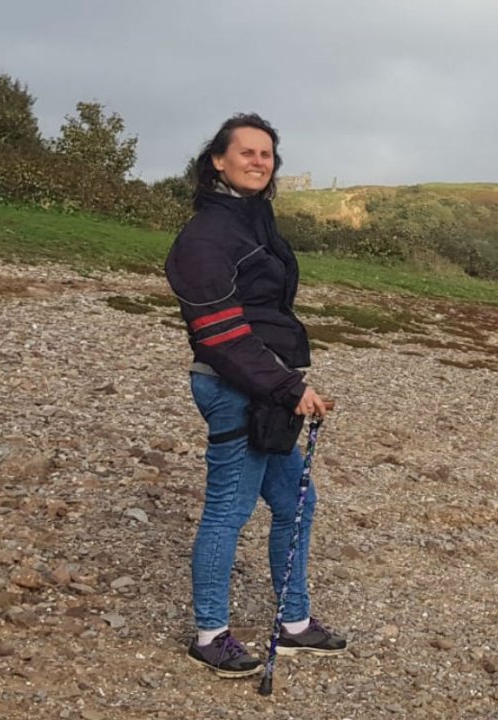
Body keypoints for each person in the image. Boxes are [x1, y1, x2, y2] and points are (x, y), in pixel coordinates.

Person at [165, 113, 347, 678]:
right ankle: (210, 634)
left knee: (297, 503)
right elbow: (219, 335)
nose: (258, 161)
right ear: (218, 160)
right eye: (246, 152)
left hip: (268, 387)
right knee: (229, 509)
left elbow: (267, 313)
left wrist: (287, 385)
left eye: (266, 154)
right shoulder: (206, 236)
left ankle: (293, 625)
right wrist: (290, 386)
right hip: (232, 387)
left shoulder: (255, 222)